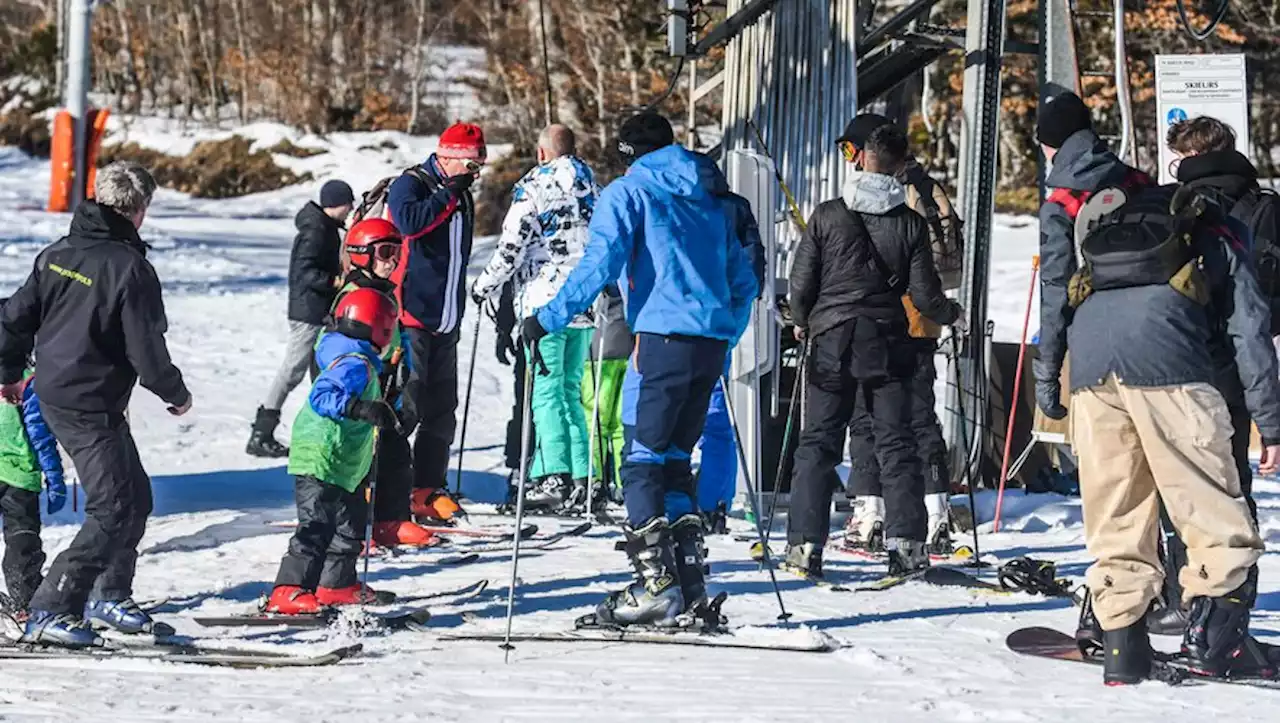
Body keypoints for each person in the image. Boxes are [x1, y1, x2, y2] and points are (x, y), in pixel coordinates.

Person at [1034, 97, 1280, 684]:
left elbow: (1058, 287)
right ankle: (1218, 645)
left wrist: (1049, 374)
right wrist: (1270, 424)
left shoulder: (1114, 210)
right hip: (1171, 362)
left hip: (1094, 364)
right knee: (1213, 510)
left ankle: (1122, 647)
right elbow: (1250, 331)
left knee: (1118, 510)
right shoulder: (1223, 223)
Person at [524, 112, 758, 627]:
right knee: (675, 461)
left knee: (643, 461)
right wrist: (725, 331)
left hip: (662, 340)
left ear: (628, 153)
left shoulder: (630, 192)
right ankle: (690, 584)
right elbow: (746, 279)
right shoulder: (716, 196)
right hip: (709, 342)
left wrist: (547, 318)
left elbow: (598, 263)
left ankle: (655, 586)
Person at [0, 162, 191, 647]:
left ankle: (111, 594)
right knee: (114, 507)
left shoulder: (58, 252)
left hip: (69, 394)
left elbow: (14, 318)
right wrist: (174, 391)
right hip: (86, 403)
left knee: (137, 497)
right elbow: (146, 348)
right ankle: (51, 607)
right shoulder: (130, 268)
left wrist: (6, 372)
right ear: (139, 210)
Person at [784, 122, 963, 580]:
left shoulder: (827, 215)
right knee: (896, 441)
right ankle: (906, 544)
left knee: (819, 443)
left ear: (862, 158)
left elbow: (801, 286)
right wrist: (952, 313)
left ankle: (806, 545)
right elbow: (925, 296)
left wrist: (803, 322)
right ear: (901, 166)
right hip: (888, 342)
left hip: (831, 340)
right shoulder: (910, 223)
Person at [837, 114, 964, 555]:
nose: (851, 163)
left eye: (851, 152)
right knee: (920, 414)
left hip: (884, 314)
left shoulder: (888, 193)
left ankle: (868, 515)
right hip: (925, 319)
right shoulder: (930, 188)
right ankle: (937, 515)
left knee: (868, 414)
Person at [472, 124, 599, 513]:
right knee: (570, 391)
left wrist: (483, 286)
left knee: (545, 392)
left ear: (542, 153)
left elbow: (511, 248)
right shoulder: (593, 188)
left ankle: (551, 475)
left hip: (544, 304)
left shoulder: (536, 188)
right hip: (583, 303)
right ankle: (583, 476)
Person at [265, 287, 402, 613]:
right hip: (321, 457)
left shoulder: (361, 360)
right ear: (379, 327)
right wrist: (361, 409)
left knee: (349, 524)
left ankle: (336, 584)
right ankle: (289, 589)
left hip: (342, 463)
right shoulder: (353, 363)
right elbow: (322, 397)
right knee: (316, 525)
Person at [387, 122, 486, 524]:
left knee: (442, 410)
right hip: (412, 317)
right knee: (406, 407)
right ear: (447, 156)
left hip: (447, 318)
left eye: (479, 164)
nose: (475, 172)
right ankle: (385, 489)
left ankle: (427, 488)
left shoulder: (461, 195)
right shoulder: (412, 184)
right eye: (470, 163)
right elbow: (409, 223)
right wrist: (450, 191)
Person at [326, 218, 438, 549]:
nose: (392, 261)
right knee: (361, 458)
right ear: (361, 254)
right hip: (358, 385)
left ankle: (391, 518)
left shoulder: (382, 291)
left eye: (396, 253)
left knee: (395, 450)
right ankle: (353, 525)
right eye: (385, 252)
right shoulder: (354, 294)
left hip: (384, 383)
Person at [248, 180, 354, 458]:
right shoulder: (316, 231)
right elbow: (303, 272)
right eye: (348, 203)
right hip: (308, 313)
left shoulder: (325, 228)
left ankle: (323, 431)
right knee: (292, 370)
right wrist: (335, 280)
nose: (351, 209)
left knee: (321, 371)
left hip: (317, 311)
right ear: (336, 203)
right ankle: (261, 433)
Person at [0, 354, 66, 621]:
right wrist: (54, 476)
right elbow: (40, 432)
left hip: (20, 477)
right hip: (19, 476)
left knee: (21, 538)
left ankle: (24, 600)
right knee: (22, 537)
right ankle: (24, 601)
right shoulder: (29, 380)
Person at [581, 284, 630, 508]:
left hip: (600, 345)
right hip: (630, 343)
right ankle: (624, 483)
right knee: (622, 423)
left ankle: (596, 481)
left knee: (595, 421)